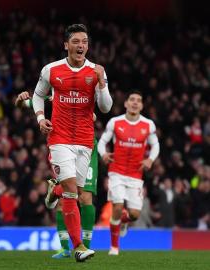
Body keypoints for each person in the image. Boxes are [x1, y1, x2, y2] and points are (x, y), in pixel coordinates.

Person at [31, 23, 112, 262]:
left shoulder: (96, 71)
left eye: (85, 41)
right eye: (76, 41)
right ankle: (78, 247)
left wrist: (102, 82)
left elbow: (106, 107)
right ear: (66, 45)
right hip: (59, 138)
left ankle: (52, 190)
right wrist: (40, 117)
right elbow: (37, 95)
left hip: (85, 141)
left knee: (72, 190)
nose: (81, 46)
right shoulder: (51, 70)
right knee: (71, 193)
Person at [15, 91, 99, 258]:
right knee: (69, 197)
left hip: (86, 146)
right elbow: (23, 105)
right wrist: (20, 100)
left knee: (84, 196)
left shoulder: (81, 94)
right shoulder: (47, 101)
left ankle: (85, 246)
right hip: (62, 146)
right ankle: (66, 248)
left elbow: (94, 117)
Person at [97, 90, 160, 255]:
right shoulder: (115, 122)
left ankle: (124, 221)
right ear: (126, 103)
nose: (135, 102)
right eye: (132, 99)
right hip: (116, 172)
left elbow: (156, 145)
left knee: (134, 214)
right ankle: (114, 247)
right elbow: (102, 142)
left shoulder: (148, 125)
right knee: (117, 206)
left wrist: (150, 160)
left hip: (135, 175)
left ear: (142, 105)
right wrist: (103, 154)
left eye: (138, 100)